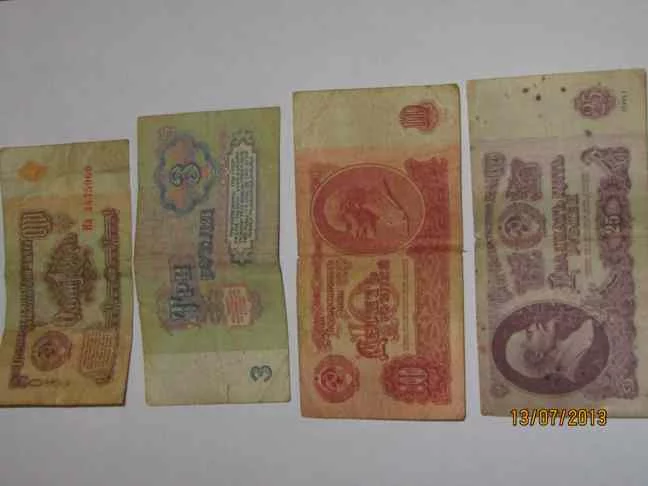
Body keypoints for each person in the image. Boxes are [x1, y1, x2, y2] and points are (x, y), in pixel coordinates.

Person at [506, 316, 595, 382]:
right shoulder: (580, 364)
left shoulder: (571, 339)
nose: (534, 326)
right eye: (530, 335)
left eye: (528, 328)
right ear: (537, 356)